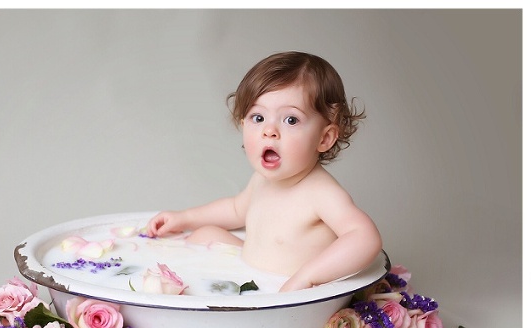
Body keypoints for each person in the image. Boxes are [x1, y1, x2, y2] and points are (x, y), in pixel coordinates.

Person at [146, 51, 382, 292]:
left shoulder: (321, 192)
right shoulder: (260, 180)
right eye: (258, 117)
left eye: (290, 120)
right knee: (205, 234)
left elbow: (364, 237)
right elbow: (236, 209)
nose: (269, 131)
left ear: (324, 138)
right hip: (251, 272)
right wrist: (184, 218)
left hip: (284, 290)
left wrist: (307, 278)